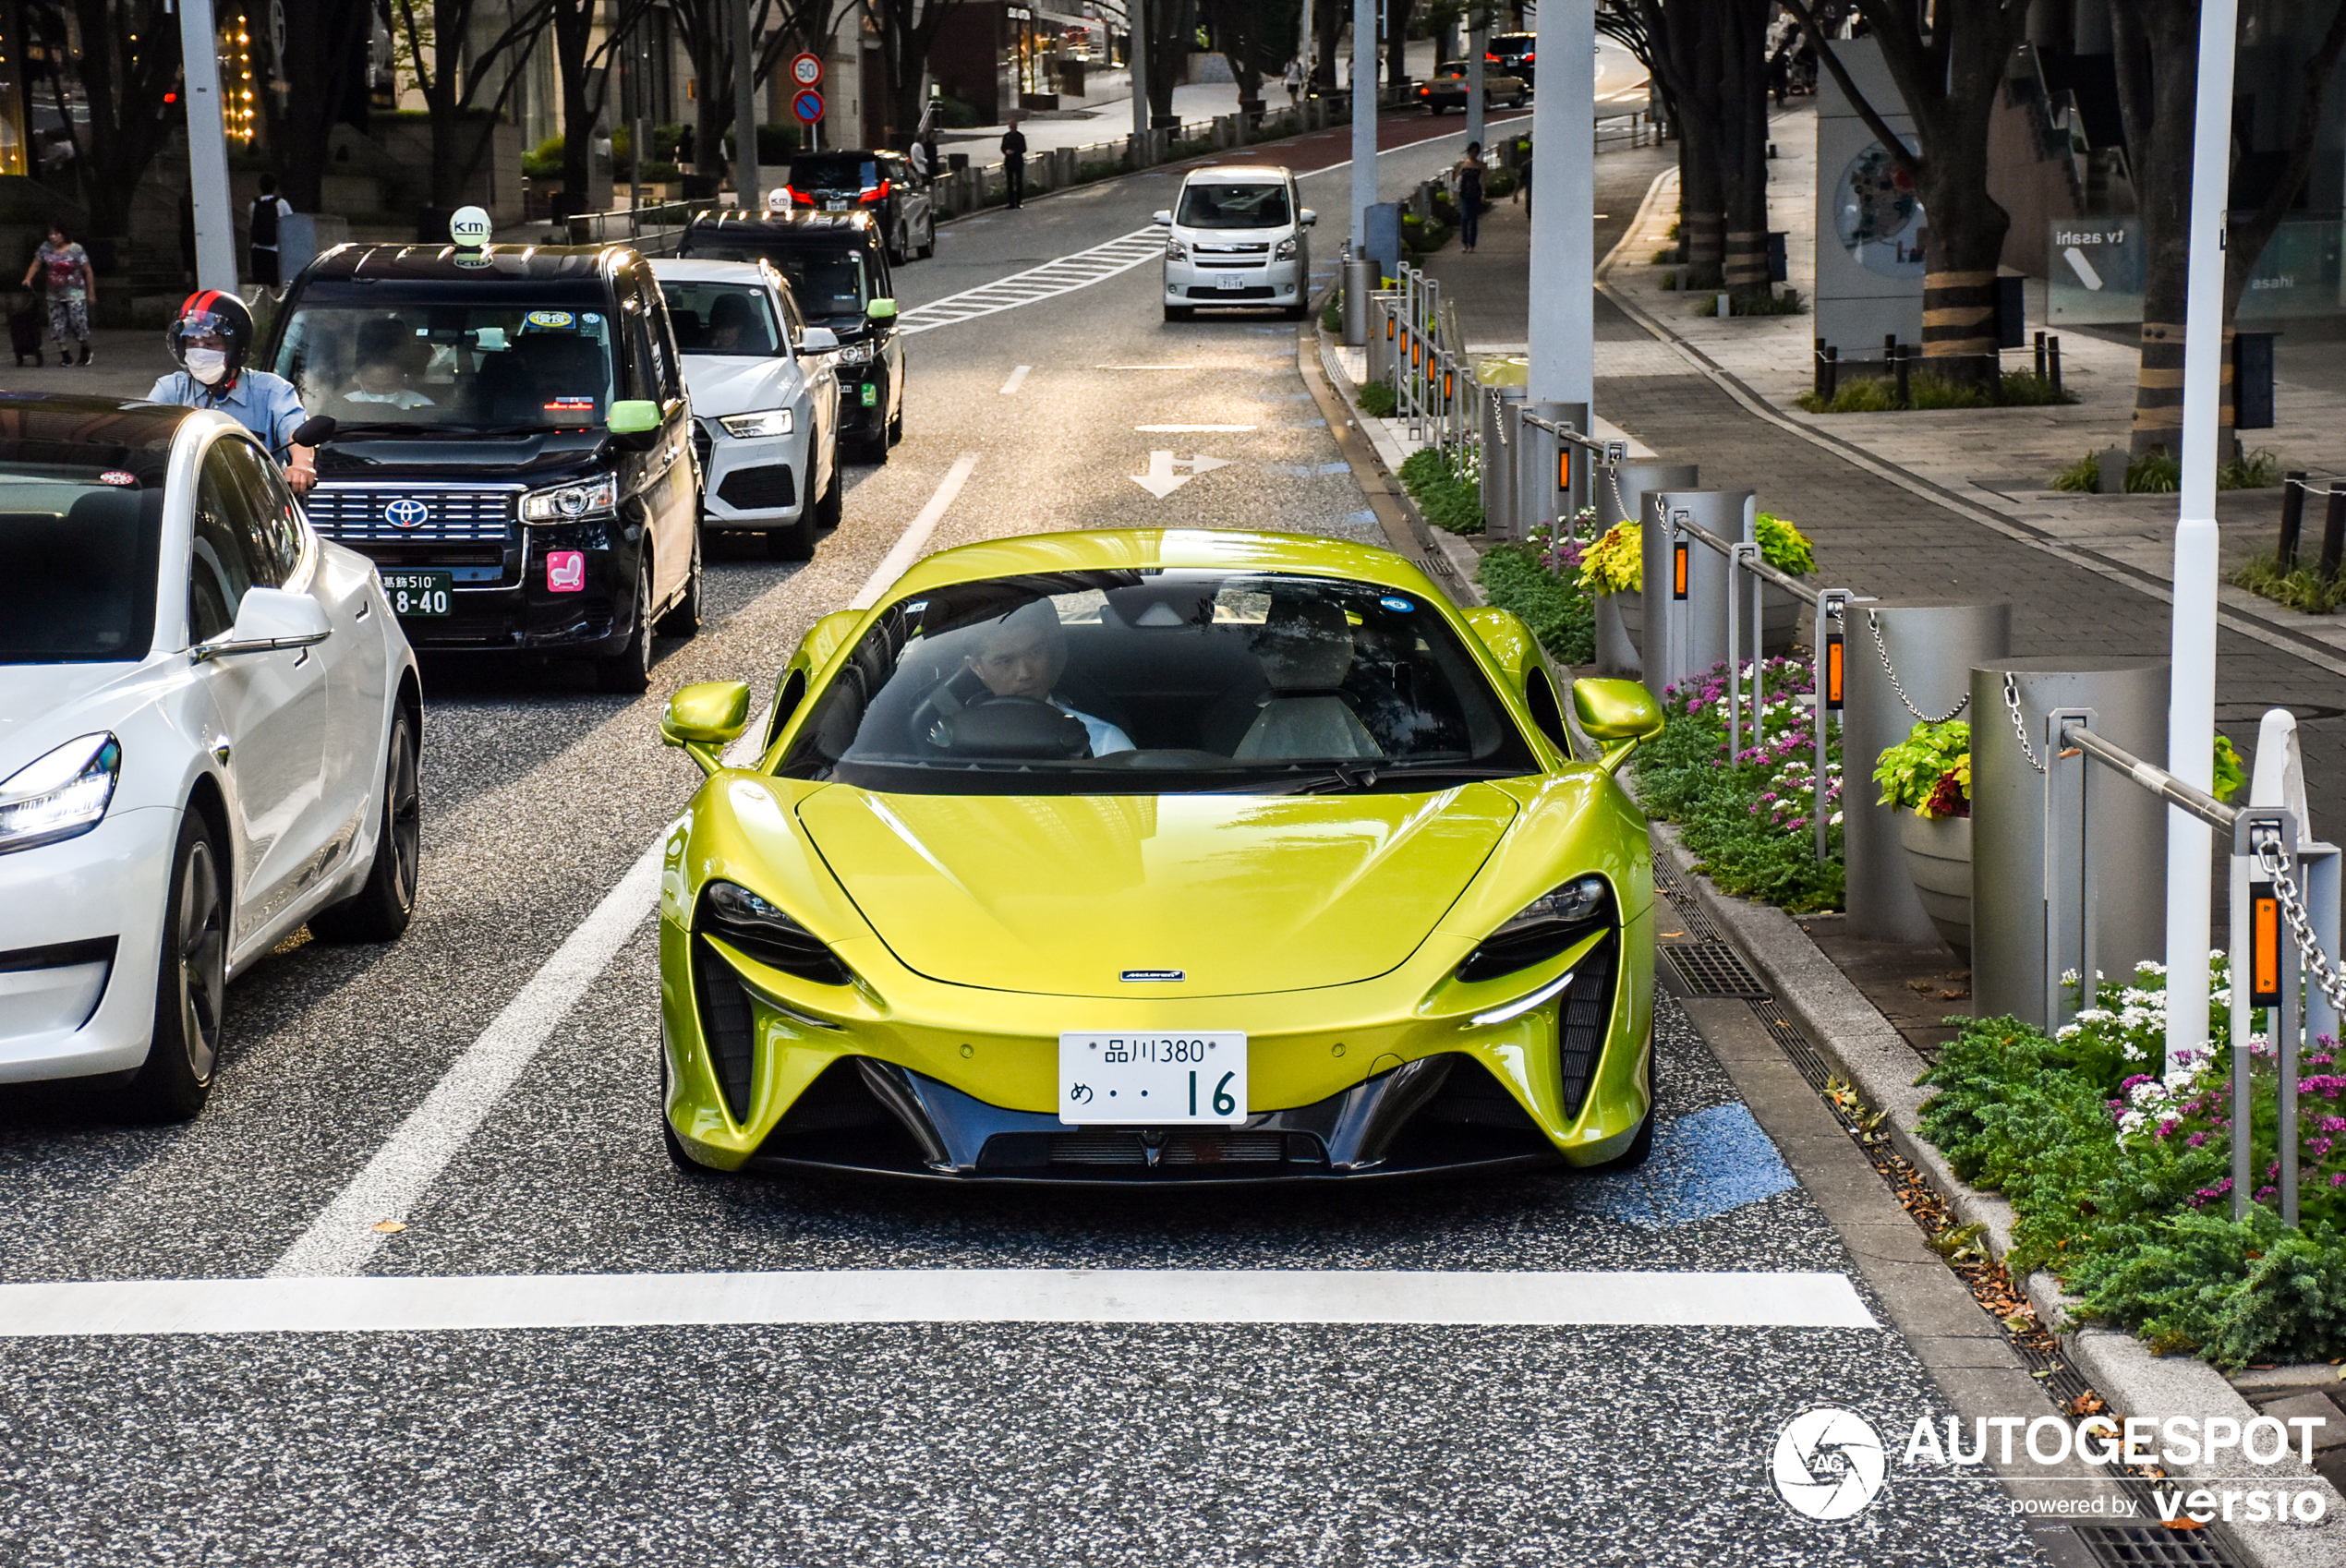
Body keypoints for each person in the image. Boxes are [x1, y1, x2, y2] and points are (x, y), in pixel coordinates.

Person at [148, 291, 318, 495]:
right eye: (192, 344)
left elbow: (295, 429)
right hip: (188, 500)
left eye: (210, 344)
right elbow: (144, 431)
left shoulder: (272, 390)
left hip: (258, 504)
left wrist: (301, 464)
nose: (199, 351)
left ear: (237, 348)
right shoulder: (171, 389)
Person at [957, 601, 1131, 755]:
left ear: (1049, 651)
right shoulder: (955, 741)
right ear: (976, 667)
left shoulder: (1103, 742)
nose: (1024, 673)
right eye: (1004, 661)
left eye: (1035, 653)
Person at [21, 221, 93, 367]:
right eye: (50, 234)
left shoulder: (76, 249)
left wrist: (91, 292)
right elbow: (36, 263)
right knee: (57, 324)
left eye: (56, 233)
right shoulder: (46, 248)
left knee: (77, 322)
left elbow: (87, 270)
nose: (53, 237)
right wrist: (28, 278)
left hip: (75, 292)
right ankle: (65, 354)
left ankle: (85, 349)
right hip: (55, 293)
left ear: (63, 234)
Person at [344, 317, 434, 410]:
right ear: (358, 378)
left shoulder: (422, 405)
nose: (381, 395)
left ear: (402, 379)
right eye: (372, 387)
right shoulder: (346, 405)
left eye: (389, 387)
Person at [248, 175, 293, 288]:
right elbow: (291, 223)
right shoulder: (281, 203)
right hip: (275, 250)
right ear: (274, 187)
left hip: (257, 249)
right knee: (275, 284)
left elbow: (251, 225)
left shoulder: (253, 205)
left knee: (260, 285)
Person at [1451, 142, 1485, 254]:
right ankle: (1465, 243)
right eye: (1472, 151)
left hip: (1476, 193)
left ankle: (1472, 244)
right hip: (1464, 193)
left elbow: (1483, 180)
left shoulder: (1481, 165)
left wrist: (1484, 193)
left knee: (1473, 219)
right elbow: (1456, 177)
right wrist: (1454, 192)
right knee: (1465, 218)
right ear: (1468, 151)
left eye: (1476, 152)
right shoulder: (1462, 164)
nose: (1473, 154)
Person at [1000, 117, 1027, 209]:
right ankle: (1011, 202)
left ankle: (1019, 202)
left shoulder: (1020, 136)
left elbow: (1024, 148)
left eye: (1013, 126)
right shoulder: (1006, 136)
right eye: (1010, 126)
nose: (1011, 128)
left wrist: (1015, 151)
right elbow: (1002, 147)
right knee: (1010, 182)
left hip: (1018, 161)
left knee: (1019, 182)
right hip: (1009, 161)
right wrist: (1006, 151)